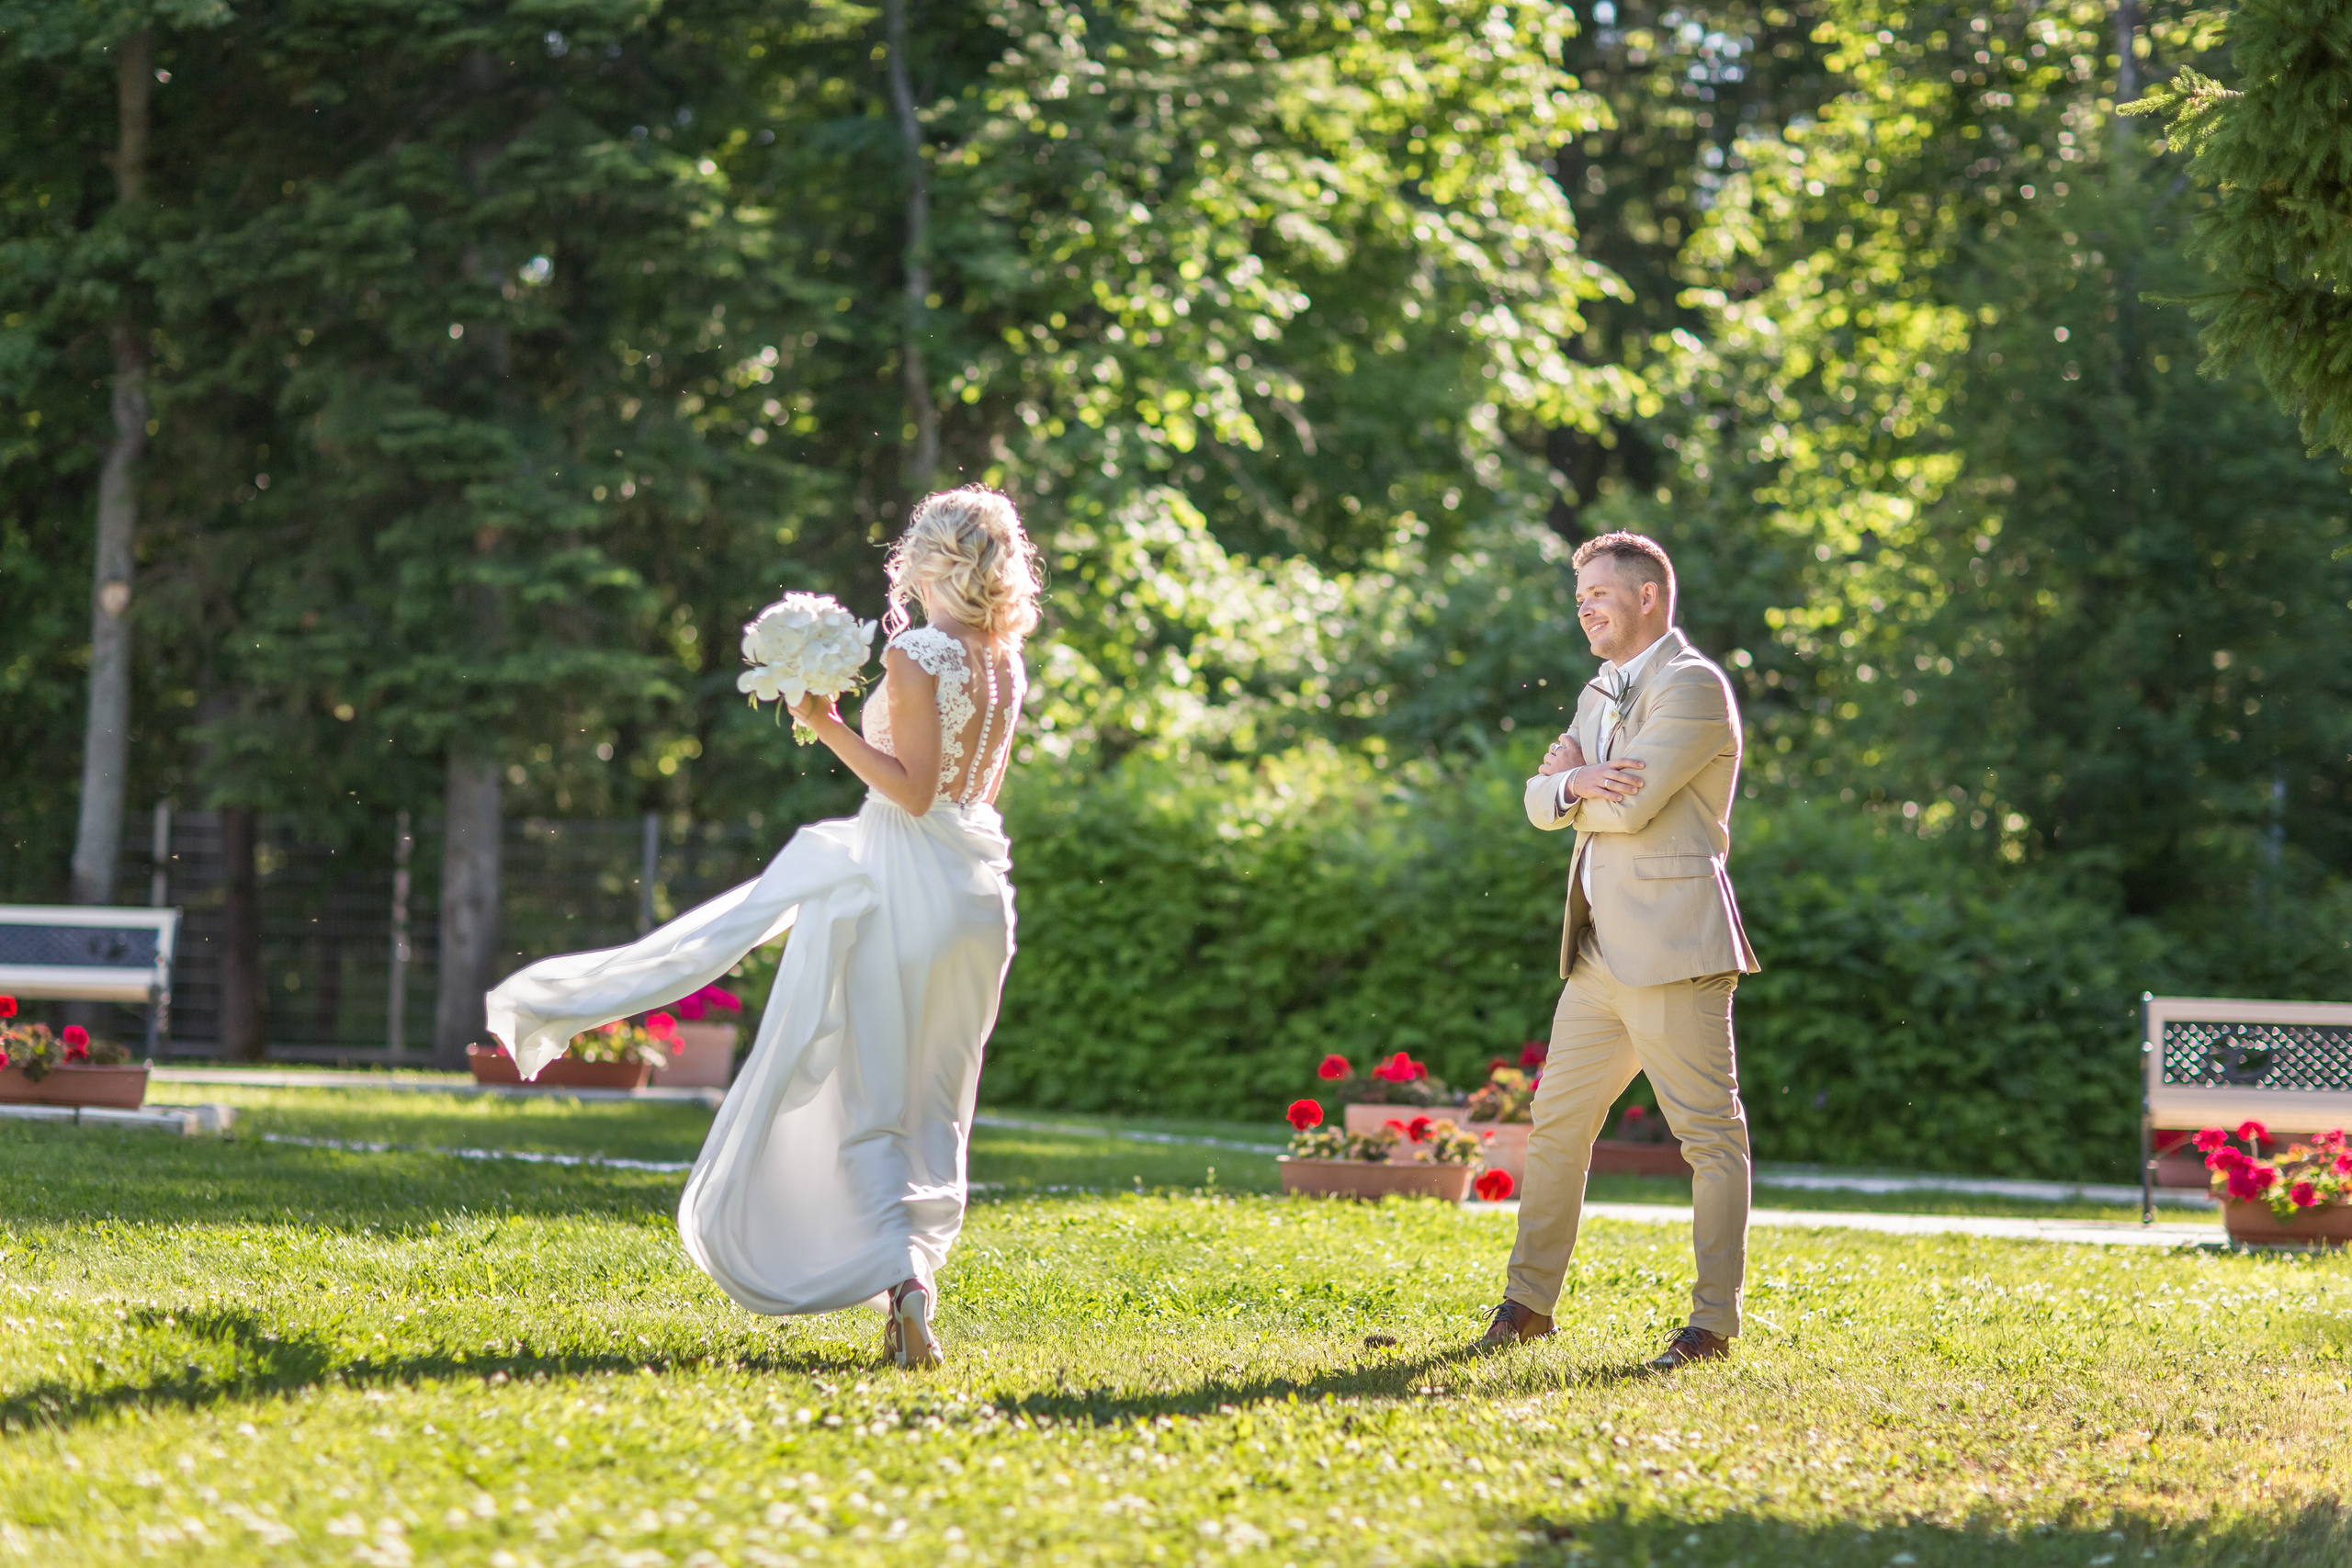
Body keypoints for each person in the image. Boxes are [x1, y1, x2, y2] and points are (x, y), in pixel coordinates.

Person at [485, 486, 1039, 1371]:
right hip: (976, 897)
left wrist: (823, 725)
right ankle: (912, 1281)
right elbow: (969, 792)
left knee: (867, 1092)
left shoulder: (919, 653)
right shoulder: (1004, 658)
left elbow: (912, 789)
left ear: (931, 560)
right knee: (936, 1102)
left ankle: (905, 1282)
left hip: (903, 886)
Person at [1480, 531, 1760, 1372]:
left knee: (1710, 1139)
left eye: (1599, 594)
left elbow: (1632, 808)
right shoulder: (1599, 690)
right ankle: (1527, 1306)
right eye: (1579, 600)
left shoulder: (1695, 687)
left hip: (1676, 949)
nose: (1585, 610)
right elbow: (1536, 799)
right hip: (1598, 954)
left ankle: (1712, 1324)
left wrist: (1579, 783)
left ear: (1647, 597)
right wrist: (1569, 783)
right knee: (1556, 1125)